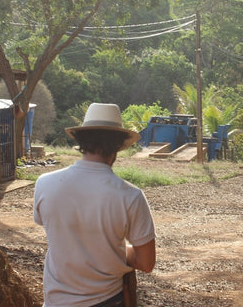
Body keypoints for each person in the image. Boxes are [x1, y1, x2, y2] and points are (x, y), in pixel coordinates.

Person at [33, 103, 156, 307]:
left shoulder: (44, 184)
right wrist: (115, 250)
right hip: (107, 300)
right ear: (118, 146)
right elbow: (146, 262)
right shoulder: (130, 196)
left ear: (81, 140)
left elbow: (58, 234)